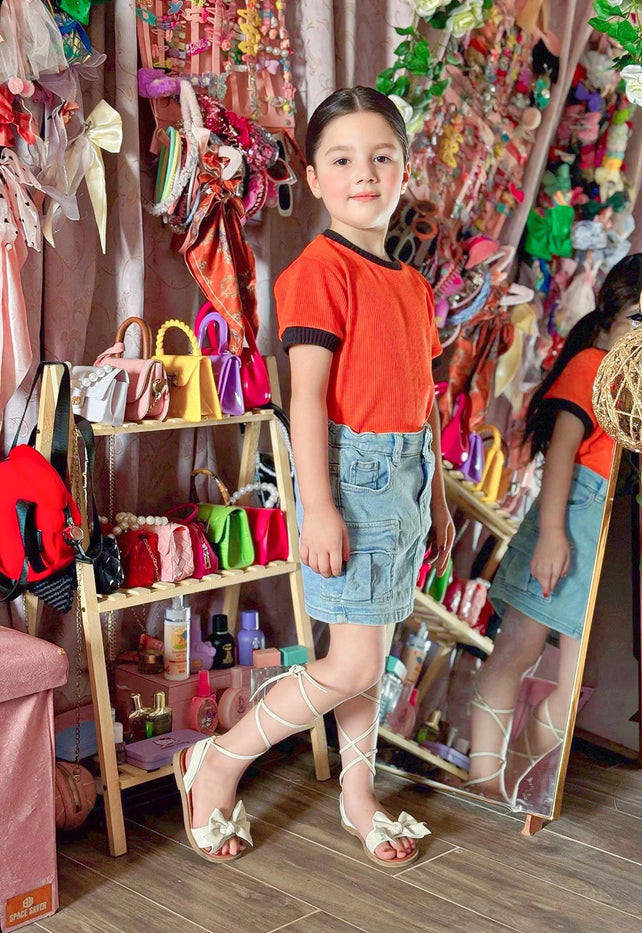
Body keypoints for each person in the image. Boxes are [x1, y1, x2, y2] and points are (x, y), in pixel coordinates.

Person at [173, 86, 454, 865]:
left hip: (405, 479)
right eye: (342, 159)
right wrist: (318, 505)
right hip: (352, 481)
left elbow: (422, 397)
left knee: (371, 651)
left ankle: (360, 799)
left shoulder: (412, 284)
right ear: (316, 175)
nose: (363, 174)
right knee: (353, 660)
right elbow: (305, 398)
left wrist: (437, 496)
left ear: (403, 169)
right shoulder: (316, 271)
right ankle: (219, 761)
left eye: (380, 157)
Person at [464, 253, 642, 808]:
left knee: (571, 691)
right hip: (570, 518)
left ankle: (514, 780)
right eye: (637, 317)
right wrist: (550, 536)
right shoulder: (592, 364)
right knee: (514, 651)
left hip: (608, 531)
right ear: (610, 317)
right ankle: (484, 781)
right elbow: (562, 451)